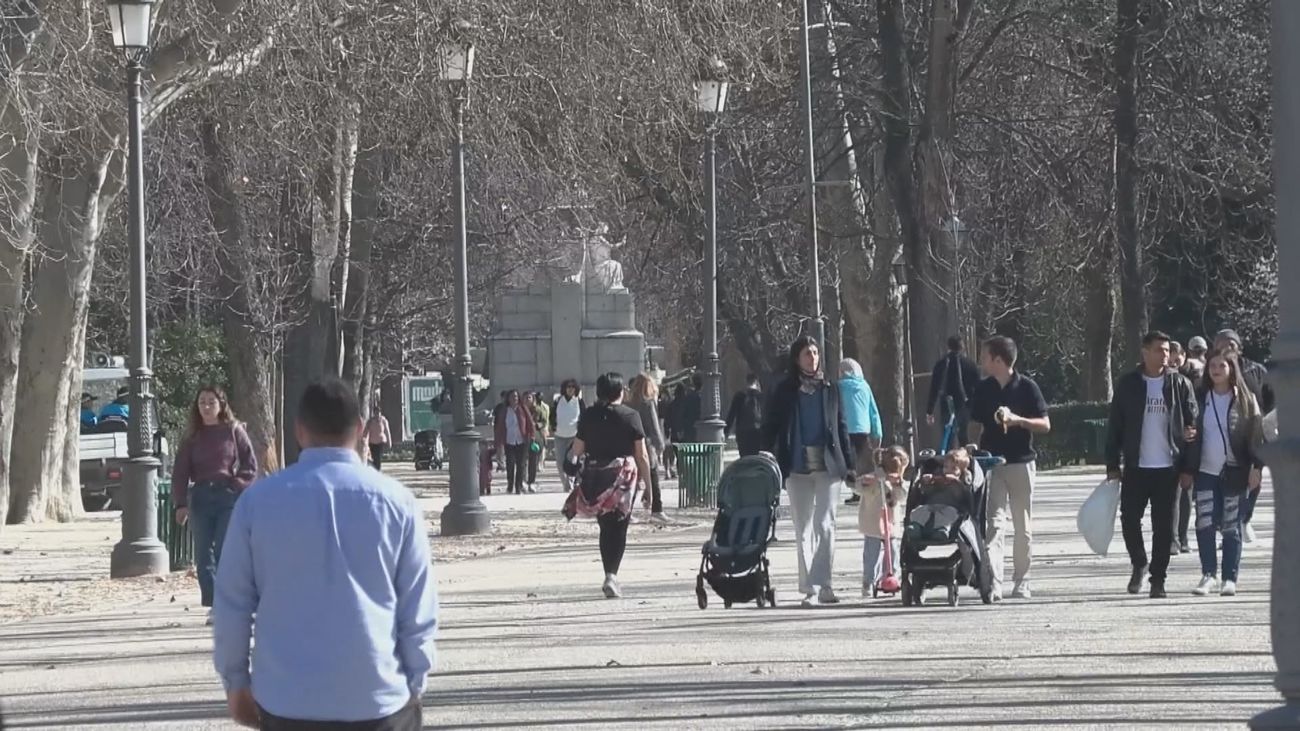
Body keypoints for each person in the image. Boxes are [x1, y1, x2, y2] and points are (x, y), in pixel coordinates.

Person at [213, 378, 437, 731]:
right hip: (377, 697)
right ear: (361, 429)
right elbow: (417, 607)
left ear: (300, 430)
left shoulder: (257, 503)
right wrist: (415, 679)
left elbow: (231, 605)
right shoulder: (398, 503)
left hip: (287, 700)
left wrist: (236, 681)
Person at [762, 335, 856, 607]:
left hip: (828, 465)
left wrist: (849, 464)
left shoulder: (830, 388)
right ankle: (810, 588)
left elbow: (841, 426)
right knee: (803, 526)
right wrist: (765, 453)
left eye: (815, 353)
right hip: (797, 466)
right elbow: (772, 424)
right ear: (796, 358)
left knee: (825, 524)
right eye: (807, 353)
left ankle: (825, 584)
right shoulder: (785, 390)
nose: (812, 358)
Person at [1104, 331, 1198, 599]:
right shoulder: (1128, 385)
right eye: (1159, 349)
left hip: (1168, 468)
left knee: (1164, 527)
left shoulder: (1180, 385)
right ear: (1144, 352)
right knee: (1129, 519)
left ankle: (1158, 579)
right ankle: (1139, 563)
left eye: (1167, 350)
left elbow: (1193, 426)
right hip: (1136, 466)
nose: (1165, 354)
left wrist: (1188, 468)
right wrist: (1113, 464)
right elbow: (1115, 428)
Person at [969, 336, 1050, 601]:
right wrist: (969, 447)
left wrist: (1019, 421)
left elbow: (1045, 424)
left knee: (1022, 524)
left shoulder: (1027, 387)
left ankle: (1022, 581)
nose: (981, 361)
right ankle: (993, 582)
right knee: (993, 524)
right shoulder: (983, 389)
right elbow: (973, 422)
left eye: (985, 356)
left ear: (999, 360)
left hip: (1022, 462)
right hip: (992, 463)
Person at [562, 373, 654, 598]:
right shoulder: (630, 416)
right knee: (620, 526)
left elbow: (578, 449)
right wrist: (649, 488)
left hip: (596, 474)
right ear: (620, 392)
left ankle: (608, 573)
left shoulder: (589, 415)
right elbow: (641, 454)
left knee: (605, 526)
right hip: (623, 476)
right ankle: (612, 575)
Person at [171, 387, 258, 625]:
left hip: (226, 497)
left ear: (221, 405)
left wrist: (237, 484)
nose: (206, 407)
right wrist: (180, 504)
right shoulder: (192, 437)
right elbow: (180, 472)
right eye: (202, 403)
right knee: (203, 554)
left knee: (224, 550)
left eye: (211, 402)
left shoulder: (233, 431)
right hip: (200, 497)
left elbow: (250, 464)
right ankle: (215, 604)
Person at [1181, 351, 1264, 598]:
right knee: (1204, 523)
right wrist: (1187, 447)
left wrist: (1257, 467)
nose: (1216, 369)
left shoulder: (1245, 399)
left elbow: (1257, 435)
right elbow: (1186, 429)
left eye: (1222, 366)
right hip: (1205, 470)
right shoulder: (1199, 397)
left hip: (1235, 471)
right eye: (1212, 366)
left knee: (1231, 526)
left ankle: (1230, 578)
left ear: (1232, 369)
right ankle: (1208, 575)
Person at [1213, 328, 1273, 543]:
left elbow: (1271, 400)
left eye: (1231, 343)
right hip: (1223, 433)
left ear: (1239, 347)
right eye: (1222, 342)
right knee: (1224, 480)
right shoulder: (1213, 371)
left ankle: (1244, 519)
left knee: (1253, 479)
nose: (1227, 347)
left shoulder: (1256, 370)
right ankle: (1227, 523)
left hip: (1255, 432)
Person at [853, 446, 909, 597]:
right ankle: (869, 581)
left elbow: (903, 497)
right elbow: (858, 488)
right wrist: (867, 482)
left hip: (890, 524)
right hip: (873, 523)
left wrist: (898, 484)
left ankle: (892, 576)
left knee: (893, 552)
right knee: (872, 554)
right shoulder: (874, 477)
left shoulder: (899, 481)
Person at [838, 358, 883, 506]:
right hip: (863, 428)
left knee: (850, 462)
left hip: (844, 428)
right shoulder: (865, 386)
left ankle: (855, 490)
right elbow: (873, 411)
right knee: (863, 462)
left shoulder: (839, 387)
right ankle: (866, 490)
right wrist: (877, 432)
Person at [627, 374, 669, 526]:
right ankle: (657, 509)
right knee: (653, 475)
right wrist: (660, 445)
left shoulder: (628, 403)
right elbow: (653, 425)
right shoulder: (648, 403)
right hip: (646, 444)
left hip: (630, 445)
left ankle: (628, 510)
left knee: (633, 480)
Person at [926, 336, 981, 450]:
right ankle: (966, 461)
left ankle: (950, 462)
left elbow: (934, 387)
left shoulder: (941, 364)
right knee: (964, 436)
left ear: (948, 347)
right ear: (963, 347)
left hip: (947, 404)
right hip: (965, 405)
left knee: (948, 436)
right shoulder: (970, 364)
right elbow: (977, 387)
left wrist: (930, 410)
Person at [493, 390, 535, 495]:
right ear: (508, 398)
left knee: (521, 465)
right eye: (512, 396)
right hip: (509, 440)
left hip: (522, 440)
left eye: (516, 396)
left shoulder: (523, 409)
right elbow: (500, 426)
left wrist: (532, 435)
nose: (514, 398)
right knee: (510, 464)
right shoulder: (504, 410)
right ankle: (510, 485)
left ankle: (518, 486)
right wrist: (498, 441)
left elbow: (530, 423)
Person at [551, 379, 585, 491]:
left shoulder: (579, 401)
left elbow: (584, 417)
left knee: (573, 461)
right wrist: (553, 426)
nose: (570, 389)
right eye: (568, 387)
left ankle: (571, 483)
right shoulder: (558, 401)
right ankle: (565, 482)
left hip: (574, 436)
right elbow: (552, 416)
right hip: (559, 435)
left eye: (572, 387)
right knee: (560, 462)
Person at [725, 374, 766, 457]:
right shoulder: (761, 396)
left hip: (742, 432)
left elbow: (732, 415)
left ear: (746, 382)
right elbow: (766, 416)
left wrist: (726, 431)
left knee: (744, 457)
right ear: (756, 382)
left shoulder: (739, 395)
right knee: (756, 457)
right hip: (757, 432)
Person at [526, 392, 550, 493]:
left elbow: (544, 421)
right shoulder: (521, 410)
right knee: (522, 462)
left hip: (535, 438)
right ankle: (522, 481)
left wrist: (536, 425)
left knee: (533, 461)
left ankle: (531, 481)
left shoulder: (539, 410)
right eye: (526, 398)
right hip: (523, 437)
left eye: (529, 398)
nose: (527, 400)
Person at [363, 406, 392, 472]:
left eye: (378, 413)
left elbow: (387, 431)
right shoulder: (370, 421)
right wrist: (363, 440)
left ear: (380, 413)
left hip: (380, 442)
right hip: (372, 443)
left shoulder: (384, 421)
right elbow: (366, 431)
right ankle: (375, 468)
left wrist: (389, 442)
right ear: (374, 413)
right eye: (376, 413)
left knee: (378, 457)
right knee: (374, 457)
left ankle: (377, 470)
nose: (377, 414)